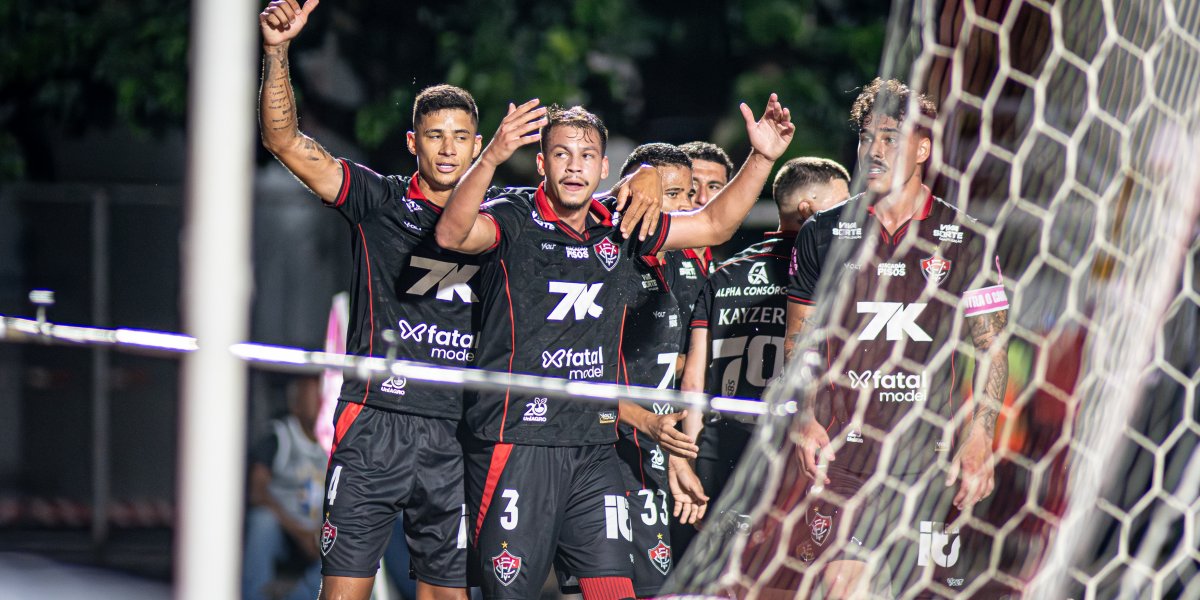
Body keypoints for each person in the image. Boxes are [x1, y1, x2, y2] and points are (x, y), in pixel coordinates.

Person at [259, 6, 660, 598]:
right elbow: (283, 140)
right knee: (344, 590)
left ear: (479, 142)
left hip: (458, 432)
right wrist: (276, 53)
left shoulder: (509, 214)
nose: (447, 150)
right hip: (376, 422)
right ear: (411, 141)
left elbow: (580, 189)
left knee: (446, 593)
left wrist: (646, 169)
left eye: (459, 138)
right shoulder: (377, 199)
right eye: (433, 136)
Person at [435, 96, 794, 599]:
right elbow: (451, 233)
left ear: (603, 167)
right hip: (518, 440)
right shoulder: (513, 214)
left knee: (614, 590)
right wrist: (491, 156)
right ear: (542, 163)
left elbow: (714, 225)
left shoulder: (620, 225)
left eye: (585, 157)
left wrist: (761, 158)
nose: (574, 165)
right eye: (561, 154)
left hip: (594, 445)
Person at [783, 78, 1009, 598]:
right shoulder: (823, 233)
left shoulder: (969, 237)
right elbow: (799, 340)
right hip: (845, 457)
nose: (874, 150)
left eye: (890, 137)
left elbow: (992, 349)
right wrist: (804, 416)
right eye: (866, 137)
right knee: (841, 585)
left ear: (922, 148)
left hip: (933, 458)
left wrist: (981, 437)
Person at [680, 157, 850, 514]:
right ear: (809, 210)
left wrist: (690, 461)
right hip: (794, 448)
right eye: (842, 204)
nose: (851, 217)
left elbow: (694, 381)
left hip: (720, 449)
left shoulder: (723, 274)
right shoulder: (830, 276)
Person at [610, 143, 709, 596]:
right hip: (599, 448)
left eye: (690, 195)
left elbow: (687, 366)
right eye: (674, 194)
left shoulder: (689, 265)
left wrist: (677, 452)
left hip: (657, 451)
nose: (688, 206)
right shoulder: (604, 258)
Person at [243, 375, 327, 600]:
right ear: (296, 404)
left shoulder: (335, 439)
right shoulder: (279, 436)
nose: (322, 400)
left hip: (319, 537)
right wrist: (298, 531)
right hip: (284, 534)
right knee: (262, 520)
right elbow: (257, 492)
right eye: (314, 394)